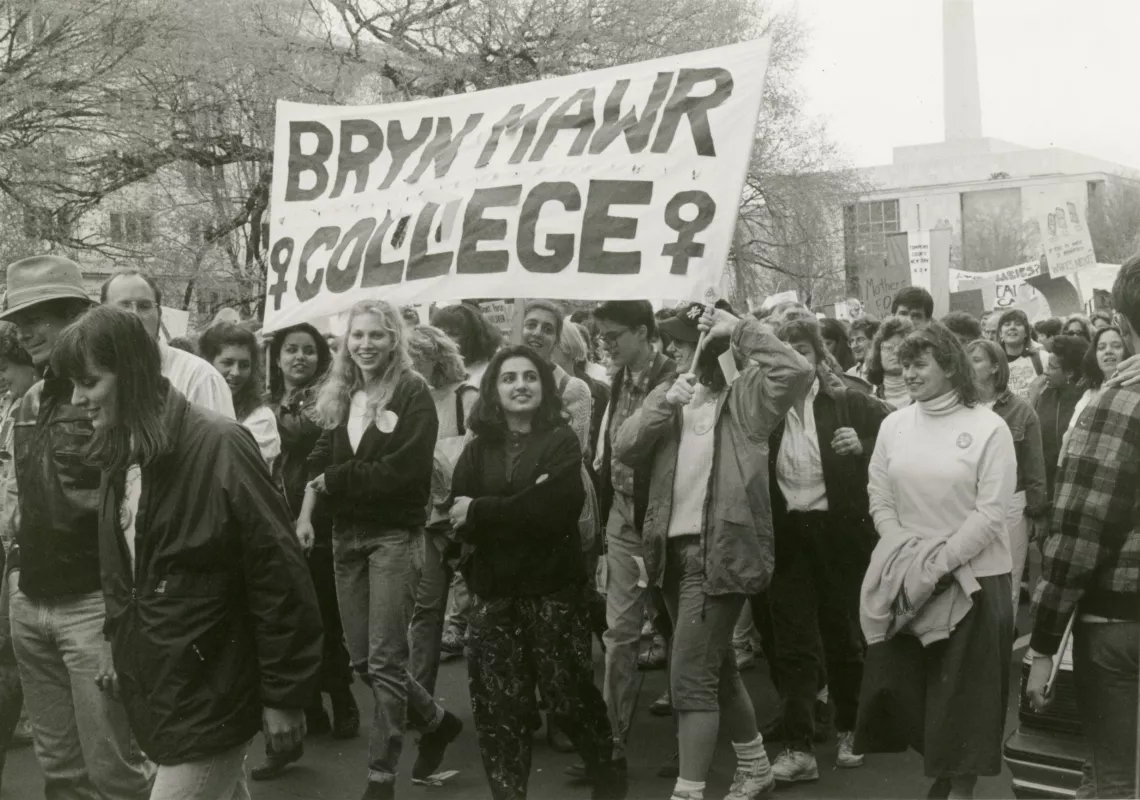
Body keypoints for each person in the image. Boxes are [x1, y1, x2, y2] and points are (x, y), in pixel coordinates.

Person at [51, 305, 323, 800]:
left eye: (89, 382)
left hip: (211, 697)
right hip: (166, 692)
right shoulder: (119, 448)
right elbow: (125, 570)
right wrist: (116, 637)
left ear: (131, 374)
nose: (77, 398)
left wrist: (286, 696)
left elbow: (279, 575)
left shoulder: (221, 445)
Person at [613, 304, 814, 800]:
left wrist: (740, 327)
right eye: (676, 345)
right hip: (669, 556)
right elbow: (623, 446)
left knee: (689, 681)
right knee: (716, 669)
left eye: (687, 343)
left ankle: (689, 791)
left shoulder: (747, 396)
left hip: (717, 554)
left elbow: (797, 369)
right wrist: (665, 403)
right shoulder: (672, 395)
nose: (679, 353)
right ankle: (755, 768)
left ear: (718, 344)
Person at [0, 256, 154, 799]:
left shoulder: (115, 399)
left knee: (117, 772)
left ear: (75, 318)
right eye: (18, 318)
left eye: (37, 317)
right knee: (61, 774)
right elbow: (24, 502)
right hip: (32, 604)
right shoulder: (29, 401)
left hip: (93, 609)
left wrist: (118, 625)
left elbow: (137, 520)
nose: (23, 330)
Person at [297, 299, 462, 799]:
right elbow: (320, 457)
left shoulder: (411, 391)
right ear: (347, 342)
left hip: (393, 536)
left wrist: (335, 480)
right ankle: (435, 721)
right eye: (358, 336)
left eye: (376, 335)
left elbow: (402, 474)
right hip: (344, 536)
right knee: (363, 661)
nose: (365, 344)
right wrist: (307, 510)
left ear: (395, 340)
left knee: (386, 662)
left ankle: (380, 777)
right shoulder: (345, 390)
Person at [450, 346, 626, 800]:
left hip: (552, 589)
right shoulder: (476, 449)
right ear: (494, 389)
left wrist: (484, 512)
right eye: (509, 378)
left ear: (544, 388)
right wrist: (519, 507)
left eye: (530, 376)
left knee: (567, 695)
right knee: (499, 708)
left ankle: (605, 769)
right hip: (493, 592)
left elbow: (554, 512)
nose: (520, 385)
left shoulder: (561, 440)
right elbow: (457, 513)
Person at [855, 322, 1016, 800]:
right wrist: (909, 556)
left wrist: (939, 563)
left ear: (949, 366)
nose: (909, 372)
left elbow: (990, 514)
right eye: (904, 364)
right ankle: (945, 775)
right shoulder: (893, 425)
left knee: (964, 704)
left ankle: (958, 791)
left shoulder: (989, 427)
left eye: (919, 363)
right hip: (910, 579)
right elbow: (879, 496)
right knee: (914, 699)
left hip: (976, 583)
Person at [1026, 257, 1140, 799]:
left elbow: (1076, 535)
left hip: (1120, 620)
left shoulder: (1115, 404)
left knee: (1113, 779)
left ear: (1126, 323)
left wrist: (1044, 646)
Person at [761, 317, 890, 783]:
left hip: (838, 533)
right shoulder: (765, 409)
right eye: (786, 351)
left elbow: (902, 435)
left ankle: (852, 727)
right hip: (788, 534)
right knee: (792, 643)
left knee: (842, 636)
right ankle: (798, 748)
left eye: (804, 350)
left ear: (819, 357)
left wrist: (865, 443)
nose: (796, 359)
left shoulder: (848, 401)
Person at [251, 323, 359, 781]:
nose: (299, 358)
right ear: (276, 357)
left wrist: (263, 414)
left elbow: (297, 435)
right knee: (288, 616)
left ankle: (343, 699)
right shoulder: (270, 399)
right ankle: (309, 705)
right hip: (272, 517)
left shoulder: (326, 397)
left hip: (315, 519)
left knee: (321, 615)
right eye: (290, 350)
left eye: (308, 351)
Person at [592, 300, 677, 775]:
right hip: (623, 519)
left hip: (665, 521)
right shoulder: (618, 379)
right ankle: (613, 743)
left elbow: (632, 445)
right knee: (619, 634)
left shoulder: (674, 380)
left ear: (644, 333)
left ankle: (694, 739)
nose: (605, 345)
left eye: (613, 336)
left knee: (684, 632)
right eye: (601, 338)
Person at [406, 324, 473, 694]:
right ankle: (421, 698)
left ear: (439, 357)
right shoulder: (404, 399)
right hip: (429, 522)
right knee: (426, 611)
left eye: (421, 357)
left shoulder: (466, 396)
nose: (414, 365)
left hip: (466, 519)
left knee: (484, 612)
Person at [431, 302, 500, 658]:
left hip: (461, 481)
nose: (448, 339)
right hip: (432, 487)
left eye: (455, 332)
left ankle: (459, 625)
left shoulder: (473, 384)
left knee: (462, 556)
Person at [967, 339, 1048, 612]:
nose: (968, 365)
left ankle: (1001, 647)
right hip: (968, 503)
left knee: (1008, 581)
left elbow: (1034, 465)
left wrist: (1037, 512)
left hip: (1010, 505)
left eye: (976, 360)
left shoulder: (1021, 410)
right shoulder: (959, 408)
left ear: (994, 367)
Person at [101, 270, 235, 418]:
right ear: (102, 313)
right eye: (124, 305)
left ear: (159, 313)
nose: (135, 315)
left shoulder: (200, 378)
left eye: (144, 306)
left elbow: (221, 439)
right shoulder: (91, 375)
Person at [0, 324, 37, 787]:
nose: (4, 376)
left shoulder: (38, 408)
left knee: (8, 652)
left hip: (18, 551)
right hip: (6, 543)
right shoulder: (10, 410)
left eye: (9, 368)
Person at [200, 322, 281, 469]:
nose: (236, 372)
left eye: (244, 365)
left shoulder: (260, 416)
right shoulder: (193, 403)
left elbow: (235, 468)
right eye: (227, 363)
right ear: (208, 363)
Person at [522, 300, 593, 449]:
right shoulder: (496, 376)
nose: (537, 333)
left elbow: (574, 453)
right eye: (531, 325)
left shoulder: (574, 389)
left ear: (557, 340)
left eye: (547, 330)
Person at [1061, 325, 1133, 458]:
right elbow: (1068, 438)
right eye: (1101, 347)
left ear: (1128, 351)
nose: (1108, 351)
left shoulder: (1135, 392)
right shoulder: (1089, 395)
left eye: (1116, 346)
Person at [1034, 335, 1088, 499]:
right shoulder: (1045, 395)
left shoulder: (1087, 401)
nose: (1045, 372)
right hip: (1049, 487)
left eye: (1052, 367)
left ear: (1070, 373)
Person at [865, 315, 915, 409]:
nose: (895, 352)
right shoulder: (871, 401)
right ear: (878, 353)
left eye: (901, 346)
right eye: (888, 347)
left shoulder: (923, 397)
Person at [997, 309, 1044, 400]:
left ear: (1026, 332)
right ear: (1000, 333)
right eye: (1007, 324)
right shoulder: (993, 363)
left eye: (1018, 324)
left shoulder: (1042, 358)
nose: (1012, 327)